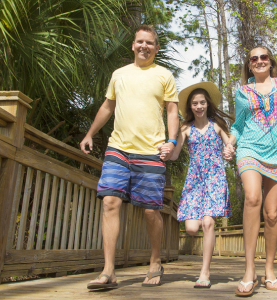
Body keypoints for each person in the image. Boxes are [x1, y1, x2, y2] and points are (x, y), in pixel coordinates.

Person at [81, 24, 179, 289]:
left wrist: (171, 141)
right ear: (133, 45)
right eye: (139, 42)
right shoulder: (119, 74)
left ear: (156, 48)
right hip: (118, 148)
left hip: (151, 150)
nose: (143, 46)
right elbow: (107, 105)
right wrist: (90, 133)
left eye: (149, 43)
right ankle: (109, 270)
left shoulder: (164, 75)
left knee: (150, 211)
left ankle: (155, 261)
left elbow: (171, 111)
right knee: (110, 202)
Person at [227, 46, 277, 296]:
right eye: (254, 59)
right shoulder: (242, 92)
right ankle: (249, 270)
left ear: (270, 62)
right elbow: (239, 125)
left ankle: (269, 270)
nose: (259, 61)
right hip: (250, 149)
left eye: (264, 57)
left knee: (272, 214)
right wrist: (230, 142)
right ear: (249, 65)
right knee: (252, 197)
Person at [168, 82, 234, 289]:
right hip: (194, 181)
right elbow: (176, 153)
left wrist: (229, 153)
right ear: (190, 107)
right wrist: (163, 149)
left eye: (202, 102)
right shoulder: (185, 128)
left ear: (208, 104)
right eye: (195, 103)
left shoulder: (217, 125)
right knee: (191, 228)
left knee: (208, 223)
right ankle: (204, 267)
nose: (199, 106)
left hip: (214, 177)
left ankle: (204, 272)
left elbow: (229, 148)